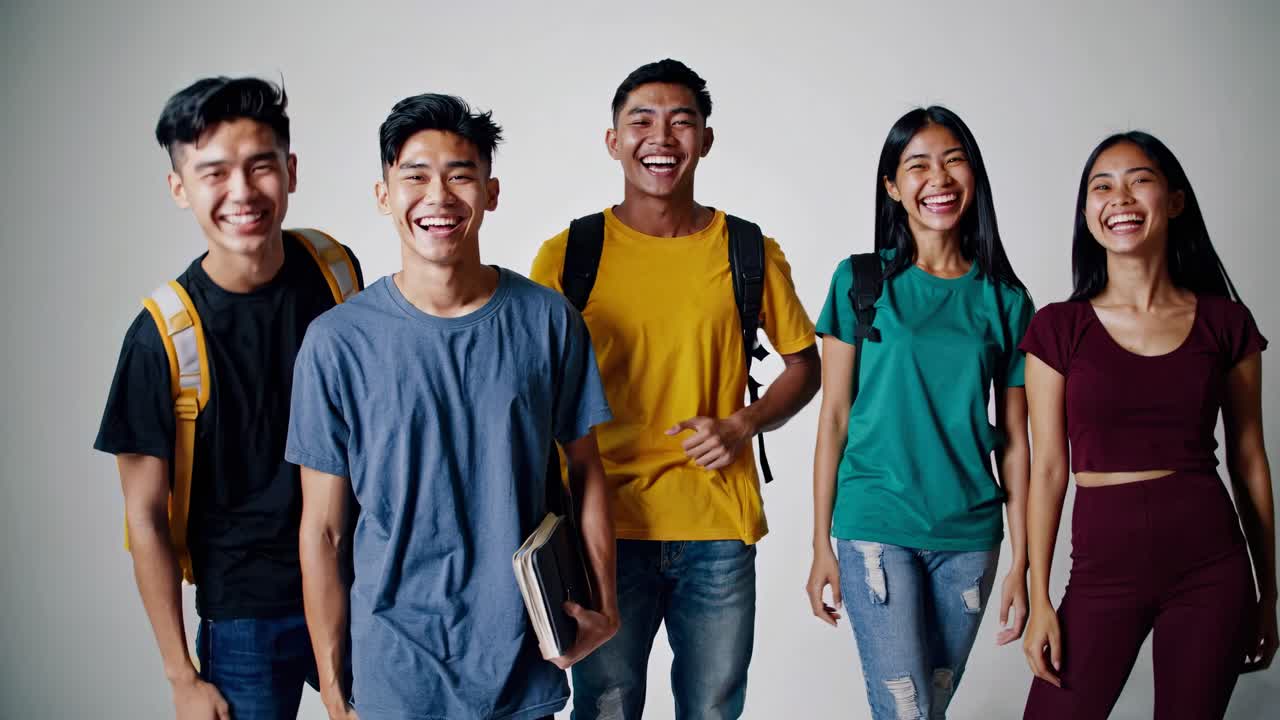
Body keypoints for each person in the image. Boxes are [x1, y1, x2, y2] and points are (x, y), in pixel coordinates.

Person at [288, 93, 618, 720]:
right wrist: (333, 691)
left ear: (491, 193)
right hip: (392, 674)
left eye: (460, 174)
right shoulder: (336, 342)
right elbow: (324, 530)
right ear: (384, 194)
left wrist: (606, 606)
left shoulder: (547, 320)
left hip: (520, 665)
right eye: (414, 176)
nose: (438, 196)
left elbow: (588, 471)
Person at [531, 58, 821, 719]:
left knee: (713, 708)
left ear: (705, 141)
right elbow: (524, 387)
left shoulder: (746, 249)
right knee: (605, 706)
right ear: (613, 141)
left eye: (681, 122)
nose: (661, 137)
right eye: (642, 121)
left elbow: (806, 365)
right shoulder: (569, 254)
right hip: (603, 528)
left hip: (717, 525)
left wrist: (742, 424)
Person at [95, 76, 362, 719]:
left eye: (259, 165)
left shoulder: (335, 269)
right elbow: (144, 519)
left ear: (290, 171)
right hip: (246, 614)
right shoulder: (161, 335)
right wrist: (181, 678)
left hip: (359, 585)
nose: (241, 192)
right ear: (179, 187)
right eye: (213, 173)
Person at [1020, 131, 1277, 719]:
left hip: (1212, 568)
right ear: (1087, 214)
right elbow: (1049, 470)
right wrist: (1040, 597)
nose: (1120, 196)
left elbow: (1249, 460)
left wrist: (1270, 595)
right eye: (1101, 186)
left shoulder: (1225, 322)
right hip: (1101, 573)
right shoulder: (1059, 328)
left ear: (1176, 201)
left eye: (1139, 179)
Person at [806, 106, 1034, 720]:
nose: (939, 178)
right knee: (905, 711)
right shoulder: (860, 281)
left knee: (926, 707)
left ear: (975, 176)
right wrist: (821, 544)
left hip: (969, 535)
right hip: (876, 522)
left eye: (954, 160)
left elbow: (1016, 441)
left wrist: (1024, 561)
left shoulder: (1006, 300)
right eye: (918, 165)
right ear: (892, 185)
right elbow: (832, 419)